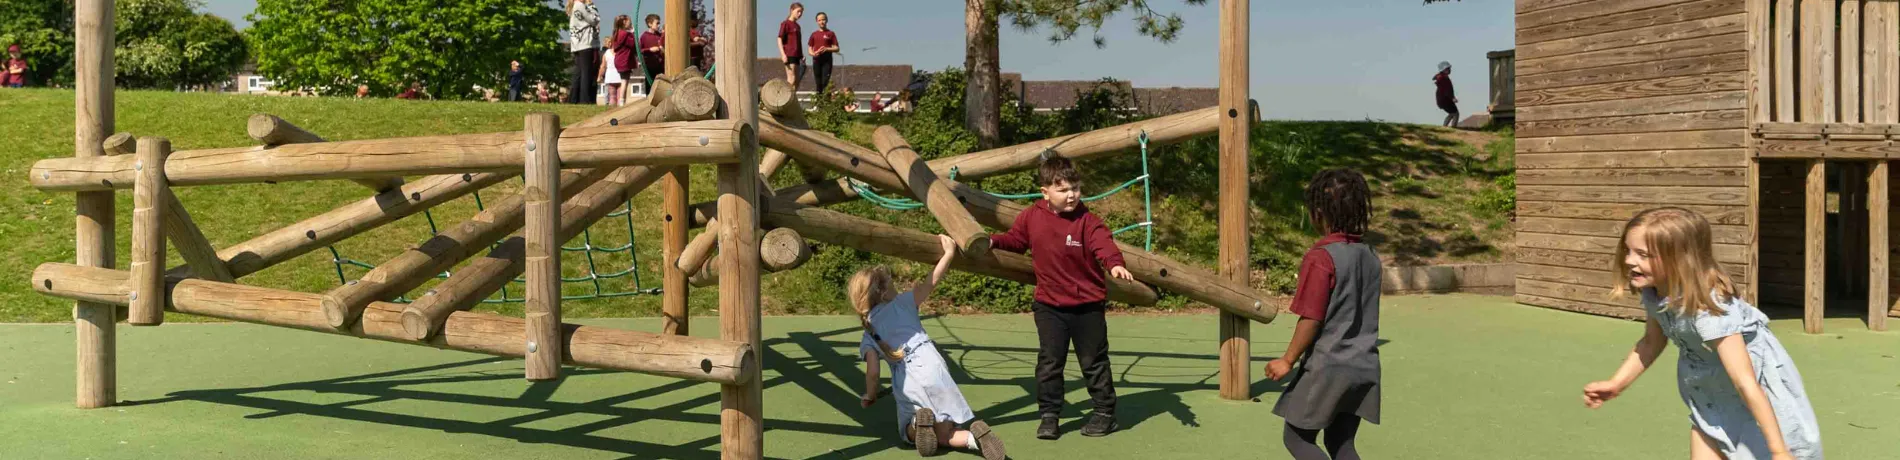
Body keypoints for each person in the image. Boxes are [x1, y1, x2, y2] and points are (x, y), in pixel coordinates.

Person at [1583, 207, 1823, 460]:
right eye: (1628, 250)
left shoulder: (1709, 311)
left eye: (1643, 254)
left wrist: (1779, 451)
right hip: (1711, 394)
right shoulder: (1655, 292)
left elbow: (1745, 381)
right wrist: (1617, 384)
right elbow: (1651, 341)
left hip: (1755, 394)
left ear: (1679, 259)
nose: (1629, 261)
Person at [989, 156, 1135, 440]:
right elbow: (1016, 240)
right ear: (1045, 192)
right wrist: (993, 240)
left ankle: (1105, 414)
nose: (1072, 195)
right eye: (1063, 190)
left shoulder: (1088, 222)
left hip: (1087, 307)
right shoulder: (1031, 216)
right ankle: (1049, 416)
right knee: (1050, 362)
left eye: (1075, 188)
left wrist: (1115, 264)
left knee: (1093, 361)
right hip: (1049, 306)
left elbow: (1104, 245)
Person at [848, 236, 1007, 460]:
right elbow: (931, 281)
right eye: (892, 284)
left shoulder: (869, 333)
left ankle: (916, 424)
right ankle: (975, 439)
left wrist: (871, 394)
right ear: (884, 293)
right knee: (946, 433)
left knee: (905, 430)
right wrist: (948, 254)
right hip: (934, 365)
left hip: (907, 379)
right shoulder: (904, 303)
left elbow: (873, 373)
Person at [1266, 169, 1383, 460]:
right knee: (1341, 442)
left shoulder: (1320, 258)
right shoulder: (1370, 255)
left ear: (1317, 213)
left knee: (1297, 438)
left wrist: (1287, 360)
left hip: (1328, 368)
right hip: (1364, 366)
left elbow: (1312, 318)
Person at [567, 0, 601, 104]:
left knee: (579, 72)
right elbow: (594, 19)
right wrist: (591, 5)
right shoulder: (580, 5)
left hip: (577, 43)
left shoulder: (575, 6)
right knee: (586, 72)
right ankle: (584, 99)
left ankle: (573, 99)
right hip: (585, 43)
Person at [605, 15, 637, 105]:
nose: (631, 23)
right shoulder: (625, 34)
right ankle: (622, 101)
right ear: (624, 22)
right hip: (624, 60)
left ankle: (622, 101)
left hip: (619, 60)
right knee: (624, 81)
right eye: (629, 21)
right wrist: (633, 33)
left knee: (624, 80)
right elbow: (633, 44)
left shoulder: (617, 33)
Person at [808, 12, 840, 94]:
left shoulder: (831, 34)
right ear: (816, 21)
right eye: (819, 20)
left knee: (825, 82)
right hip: (816, 61)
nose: (821, 22)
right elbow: (810, 49)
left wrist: (827, 49)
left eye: (823, 20)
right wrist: (814, 53)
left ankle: (826, 100)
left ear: (826, 20)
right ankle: (819, 100)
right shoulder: (814, 34)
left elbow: (836, 48)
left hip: (827, 61)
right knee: (818, 83)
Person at [778, 3, 806, 90]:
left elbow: (798, 42)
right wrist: (783, 55)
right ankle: (784, 96)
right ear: (791, 10)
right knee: (791, 79)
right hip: (789, 54)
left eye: (801, 12)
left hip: (797, 55)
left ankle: (792, 97)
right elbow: (779, 39)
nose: (800, 14)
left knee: (797, 81)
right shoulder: (785, 24)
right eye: (798, 11)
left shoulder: (797, 26)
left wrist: (801, 55)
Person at [639, 14, 665, 96]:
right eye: (657, 23)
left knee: (661, 87)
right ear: (650, 24)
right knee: (650, 87)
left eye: (659, 23)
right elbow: (639, 50)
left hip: (661, 66)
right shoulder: (644, 36)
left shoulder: (660, 36)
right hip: (650, 66)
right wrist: (650, 49)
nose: (659, 25)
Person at [1433, 61, 1458, 127]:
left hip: (1444, 99)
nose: (1450, 70)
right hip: (1445, 100)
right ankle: (1453, 127)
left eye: (1449, 68)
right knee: (1455, 113)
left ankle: (1445, 127)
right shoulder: (1443, 78)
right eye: (1448, 69)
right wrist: (1452, 98)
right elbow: (1446, 90)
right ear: (1443, 70)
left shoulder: (1442, 77)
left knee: (1452, 113)